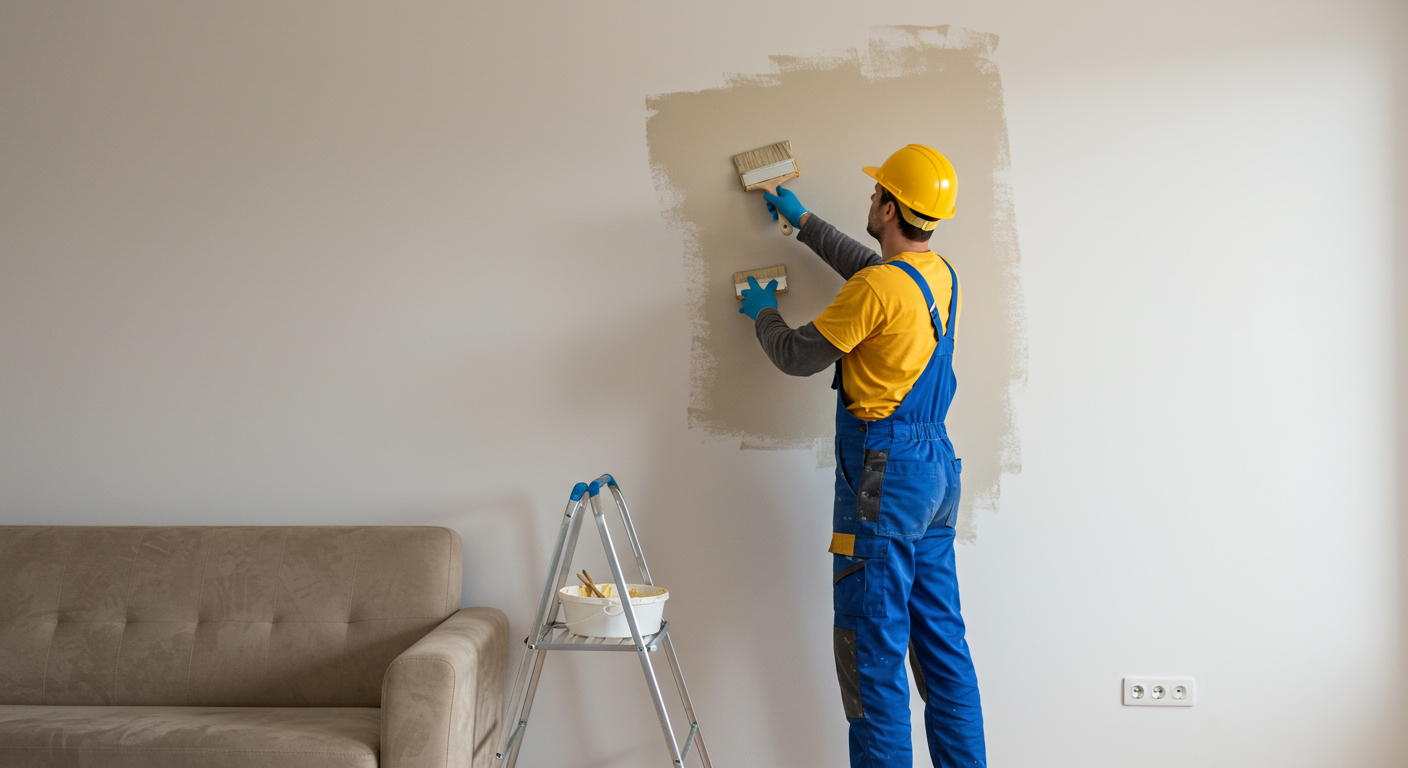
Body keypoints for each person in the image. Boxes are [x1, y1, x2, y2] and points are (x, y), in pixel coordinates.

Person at [738, 144, 986, 767]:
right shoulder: (939, 274)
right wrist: (804, 222)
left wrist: (762, 311)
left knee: (871, 650)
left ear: (892, 207)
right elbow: (873, 273)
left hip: (884, 478)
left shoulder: (879, 288)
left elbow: (796, 355)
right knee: (941, 651)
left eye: (877, 195)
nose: (869, 201)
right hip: (935, 474)